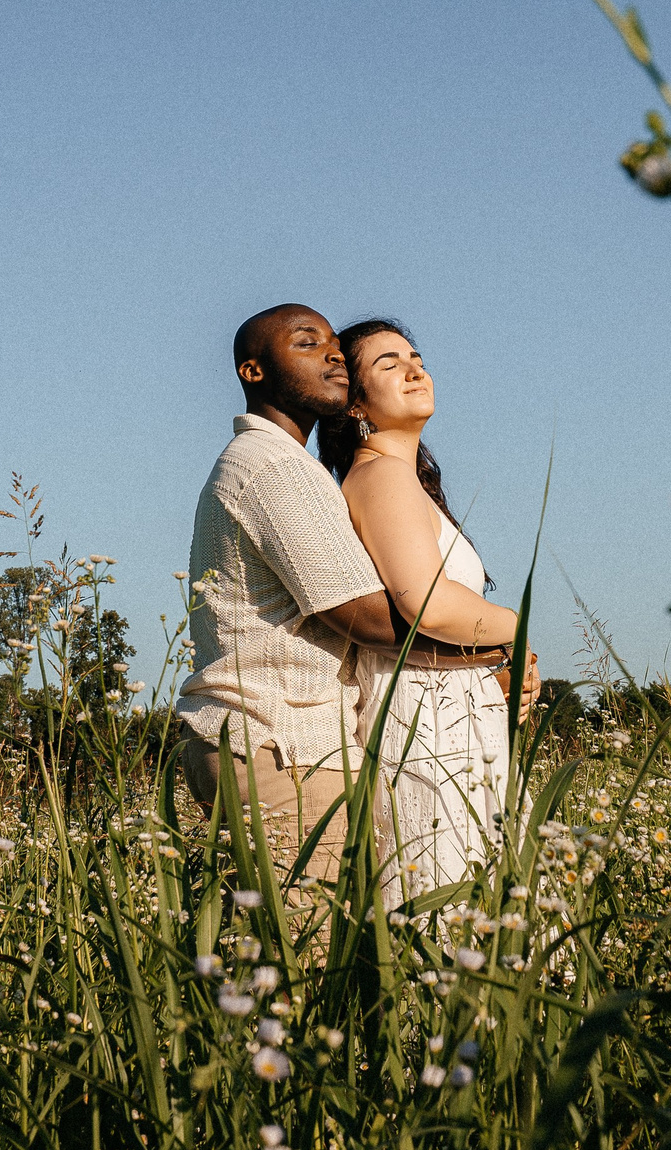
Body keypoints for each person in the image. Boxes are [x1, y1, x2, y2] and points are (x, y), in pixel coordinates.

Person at [173, 304, 511, 893]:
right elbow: (365, 617)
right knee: (302, 959)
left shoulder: (288, 467)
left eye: (334, 344)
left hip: (283, 745)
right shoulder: (272, 467)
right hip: (281, 745)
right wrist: (502, 645)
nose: (331, 354)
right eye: (307, 343)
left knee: (297, 952)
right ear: (253, 372)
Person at [317, 318, 536, 904]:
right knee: (450, 898)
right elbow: (426, 603)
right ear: (355, 403)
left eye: (416, 356)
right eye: (388, 364)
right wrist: (519, 628)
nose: (415, 369)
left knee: (481, 901)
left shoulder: (398, 478)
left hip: (450, 710)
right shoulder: (382, 476)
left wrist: (501, 651)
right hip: (431, 724)